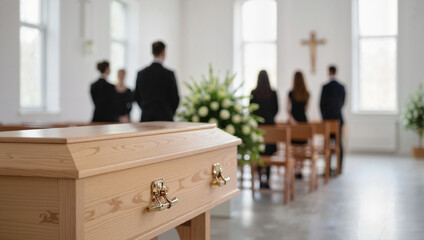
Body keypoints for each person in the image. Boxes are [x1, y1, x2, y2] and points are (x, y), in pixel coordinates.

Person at [134, 41, 180, 122]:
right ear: (163, 52)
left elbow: (136, 96)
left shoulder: (141, 73)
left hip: (146, 118)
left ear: (152, 52)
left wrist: (146, 109)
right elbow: (175, 97)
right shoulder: (169, 74)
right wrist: (168, 111)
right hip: (165, 118)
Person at [250, 70, 279, 189]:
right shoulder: (273, 93)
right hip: (271, 126)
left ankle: (260, 176)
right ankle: (267, 177)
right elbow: (277, 109)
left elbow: (250, 110)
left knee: (259, 153)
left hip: (258, 128)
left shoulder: (253, 92)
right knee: (269, 153)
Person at [319, 65, 346, 174]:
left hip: (327, 120)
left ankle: (328, 168)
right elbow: (343, 102)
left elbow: (321, 104)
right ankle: (339, 168)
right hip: (338, 119)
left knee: (327, 144)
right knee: (339, 143)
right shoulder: (341, 86)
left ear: (329, 72)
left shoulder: (325, 87)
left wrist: (324, 117)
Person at [287, 71, 310, 178]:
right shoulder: (307, 93)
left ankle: (295, 168)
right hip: (303, 121)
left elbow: (288, 109)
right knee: (303, 146)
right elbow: (306, 109)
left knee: (294, 147)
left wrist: (292, 120)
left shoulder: (291, 93)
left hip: (293, 121)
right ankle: (300, 169)